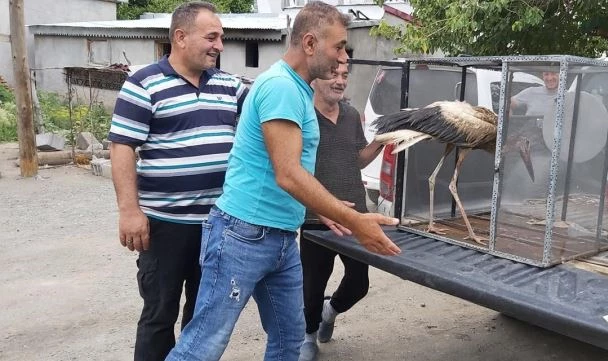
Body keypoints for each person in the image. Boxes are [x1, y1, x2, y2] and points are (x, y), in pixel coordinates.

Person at [165, 3, 401, 361]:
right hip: (242, 235)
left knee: (290, 342)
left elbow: (295, 172)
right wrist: (356, 222)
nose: (342, 56)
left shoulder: (299, 89)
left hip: (279, 237)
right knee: (202, 346)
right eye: (338, 46)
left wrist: (325, 210)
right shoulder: (281, 88)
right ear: (309, 43)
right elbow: (288, 173)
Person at [107, 2, 247, 360]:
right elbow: (122, 147)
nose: (219, 45)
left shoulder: (230, 87)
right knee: (159, 314)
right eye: (211, 37)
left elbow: (269, 118)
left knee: (203, 317)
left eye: (221, 38)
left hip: (217, 226)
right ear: (180, 38)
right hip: (164, 226)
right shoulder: (144, 84)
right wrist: (129, 212)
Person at [298, 61, 385, 361]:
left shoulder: (350, 115)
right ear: (316, 78)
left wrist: (381, 141)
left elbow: (359, 159)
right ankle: (308, 336)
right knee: (312, 284)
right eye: (333, 74)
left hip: (355, 216)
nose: (339, 81)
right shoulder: (303, 116)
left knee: (359, 283)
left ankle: (329, 311)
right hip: (315, 217)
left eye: (344, 76)